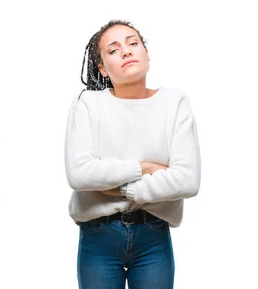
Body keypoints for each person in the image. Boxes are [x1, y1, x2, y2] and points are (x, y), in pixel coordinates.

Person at [64, 20, 201, 289]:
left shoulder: (174, 102)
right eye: (113, 50)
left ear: (146, 53)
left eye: (133, 43)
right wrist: (145, 168)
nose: (126, 51)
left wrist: (118, 188)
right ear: (102, 68)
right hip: (98, 235)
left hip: (153, 235)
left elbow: (188, 181)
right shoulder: (88, 104)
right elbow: (79, 175)